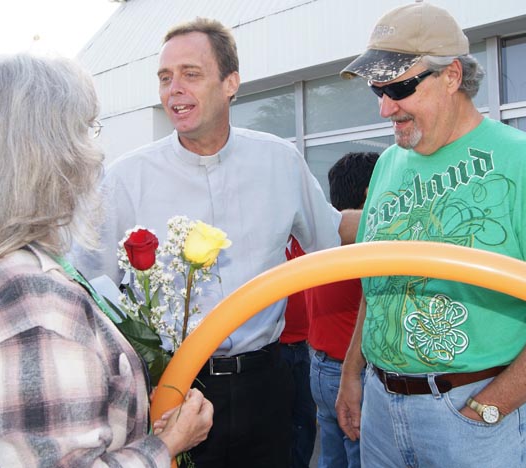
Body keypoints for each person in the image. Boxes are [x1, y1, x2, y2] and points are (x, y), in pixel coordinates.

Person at [0, 53, 212, 467]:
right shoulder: (28, 301)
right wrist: (169, 443)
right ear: (52, 153)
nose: (96, 152)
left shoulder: (4, 270)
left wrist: (130, 408)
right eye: (87, 129)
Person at [335, 2, 526, 467]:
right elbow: (378, 285)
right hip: (381, 412)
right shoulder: (388, 164)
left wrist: (490, 406)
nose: (385, 107)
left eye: (399, 87)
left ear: (452, 76)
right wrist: (352, 375)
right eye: (378, 89)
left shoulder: (525, 160)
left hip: (479, 415)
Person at [69, 17, 342, 468]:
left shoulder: (279, 161)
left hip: (267, 383)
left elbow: (328, 240)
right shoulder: (126, 178)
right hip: (173, 392)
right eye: (165, 77)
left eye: (190, 74)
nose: (173, 89)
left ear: (230, 83)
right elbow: (88, 286)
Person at [307, 151, 378, 468]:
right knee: (358, 458)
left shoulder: (320, 239)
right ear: (369, 193)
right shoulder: (365, 247)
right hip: (350, 373)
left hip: (320, 368)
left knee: (330, 456)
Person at [279, 236, 316, 468]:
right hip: (274, 351)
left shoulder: (305, 243)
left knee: (305, 423)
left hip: (303, 349)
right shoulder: (270, 248)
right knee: (278, 427)